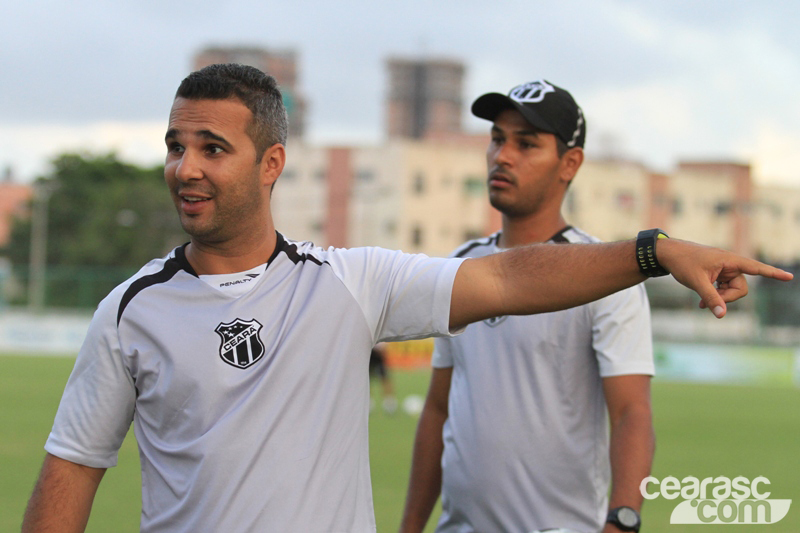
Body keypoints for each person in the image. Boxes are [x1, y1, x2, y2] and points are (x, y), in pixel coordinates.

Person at [21, 64, 791, 533]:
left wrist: (656, 251)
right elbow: (72, 470)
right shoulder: (130, 310)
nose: (185, 167)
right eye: (175, 146)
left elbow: (511, 279)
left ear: (272, 163)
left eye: (212, 148)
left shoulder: (346, 284)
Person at [399, 79, 656, 533]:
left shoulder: (604, 276)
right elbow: (438, 409)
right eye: (497, 139)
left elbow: (631, 412)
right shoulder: (461, 267)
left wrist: (622, 521)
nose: (503, 155)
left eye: (527, 144)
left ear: (569, 163)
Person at [370, 342, 398, 414]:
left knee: (385, 378)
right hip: (369, 355)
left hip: (379, 357)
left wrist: (381, 349)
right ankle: (368, 401)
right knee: (367, 379)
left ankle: (389, 402)